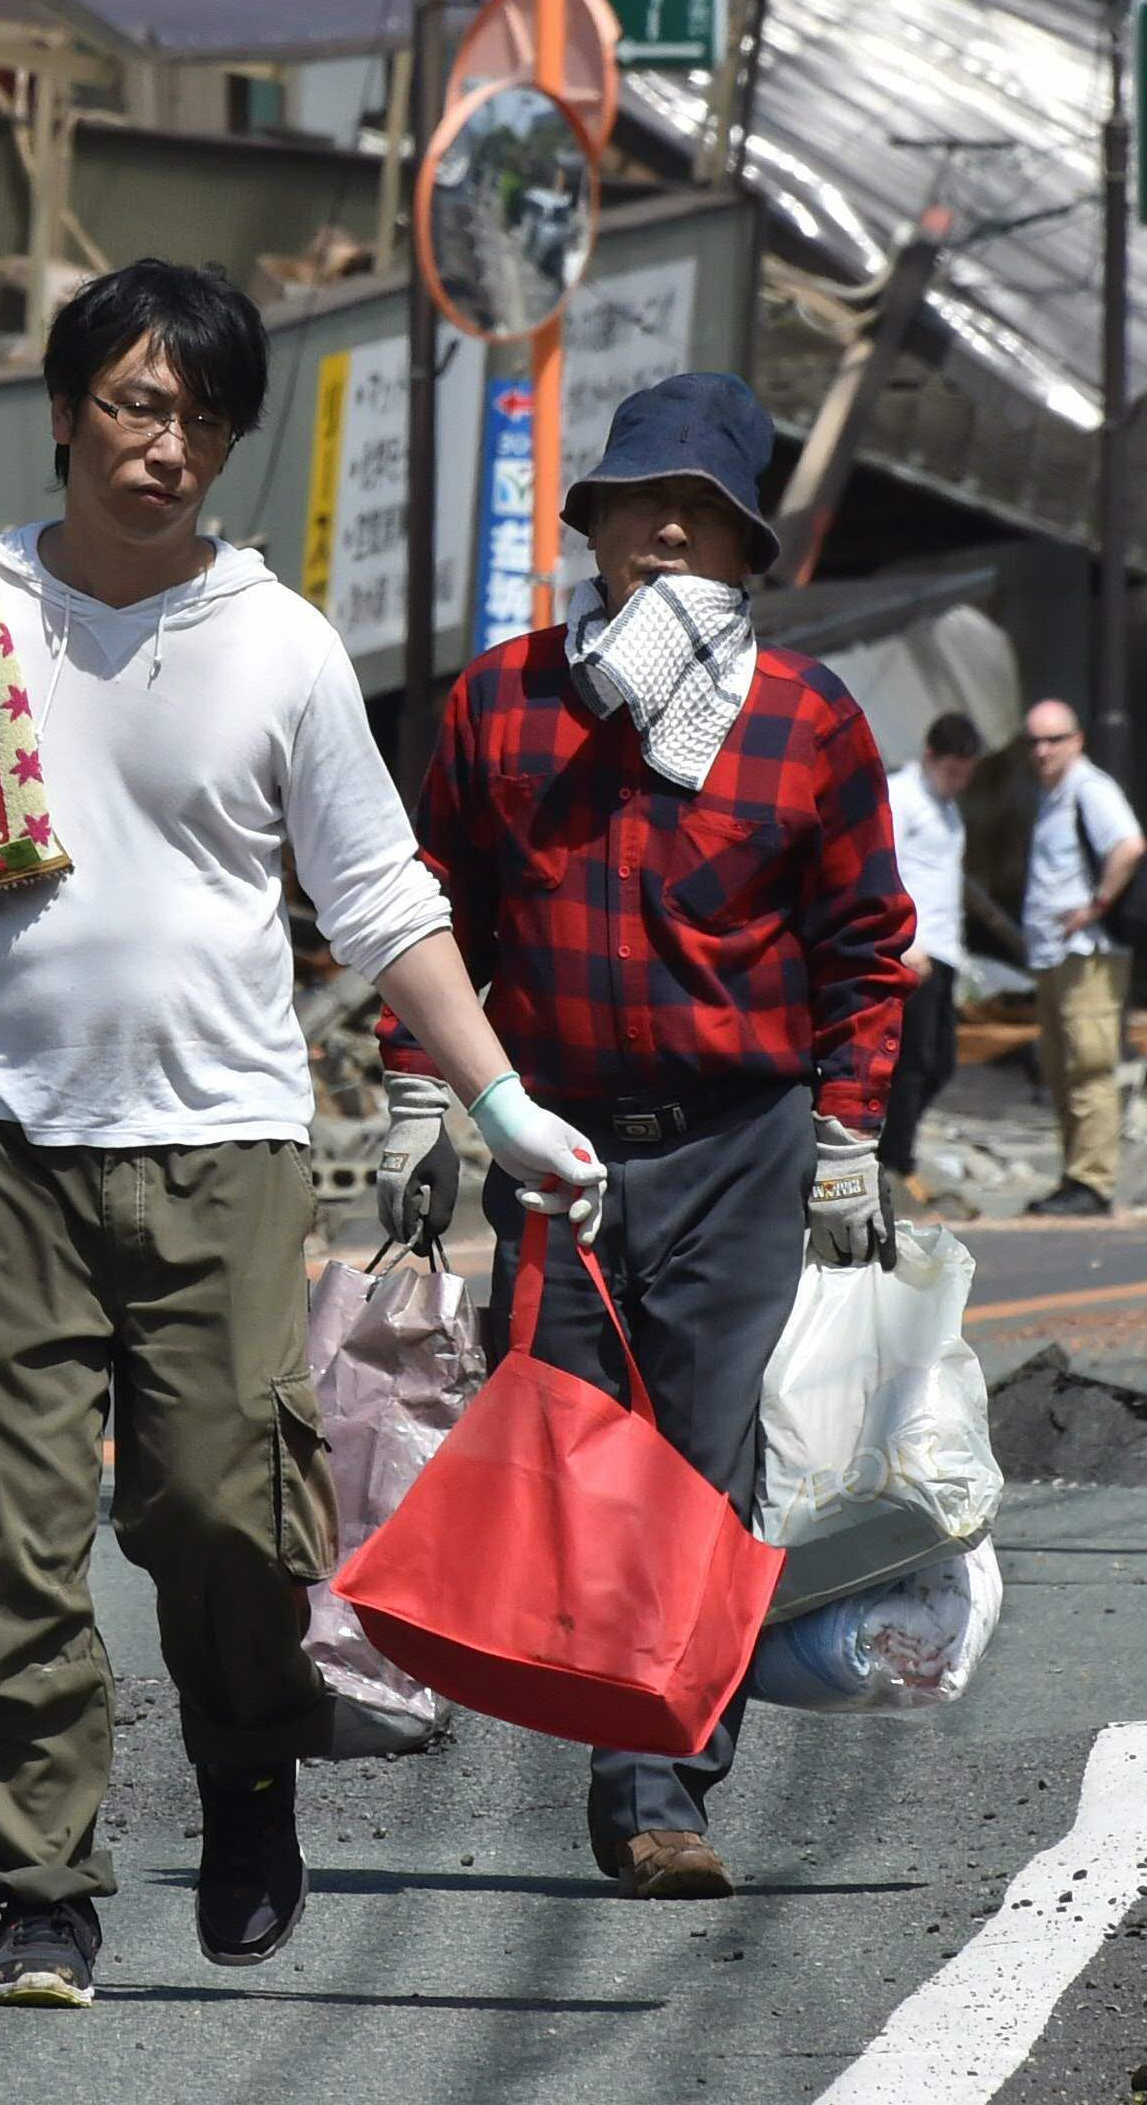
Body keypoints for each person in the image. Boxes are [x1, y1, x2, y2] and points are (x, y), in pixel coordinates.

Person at [0, 259, 606, 2014]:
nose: (165, 444)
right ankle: (38, 1888)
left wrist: (498, 1098)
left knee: (220, 1504)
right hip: (0, 1147)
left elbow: (375, 894)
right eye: (133, 403)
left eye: (200, 417)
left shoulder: (277, 643)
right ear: (61, 413)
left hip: (228, 1151)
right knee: (3, 1537)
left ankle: (249, 1760)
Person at [388, 369, 915, 1901]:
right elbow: (428, 912)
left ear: (752, 551)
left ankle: (661, 1788)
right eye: (641, 503)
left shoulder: (806, 719)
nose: (670, 531)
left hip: (743, 1146)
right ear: (596, 526)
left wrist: (849, 1135)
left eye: (706, 511)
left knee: (700, 1466)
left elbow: (866, 945)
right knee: (564, 1443)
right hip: (551, 1140)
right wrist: (420, 1096)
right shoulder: (503, 702)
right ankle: (602, 1715)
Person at [1019, 696, 1147, 1221]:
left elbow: (1129, 846)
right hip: (1054, 954)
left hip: (1085, 954)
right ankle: (1074, 1175)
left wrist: (1095, 906)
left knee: (1090, 1067)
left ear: (1077, 741)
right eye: (1035, 741)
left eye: (1054, 739)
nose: (1043, 750)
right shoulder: (1054, 795)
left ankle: (1093, 1182)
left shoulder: (1090, 789)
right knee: (1061, 1068)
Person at [875, 709, 989, 1189]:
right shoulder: (901, 798)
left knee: (940, 1062)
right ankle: (894, 1160)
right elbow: (882, 869)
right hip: (913, 950)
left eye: (966, 774)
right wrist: (902, 941)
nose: (958, 782)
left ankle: (894, 1152)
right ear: (930, 757)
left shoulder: (947, 808)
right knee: (913, 1061)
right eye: (951, 771)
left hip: (944, 951)